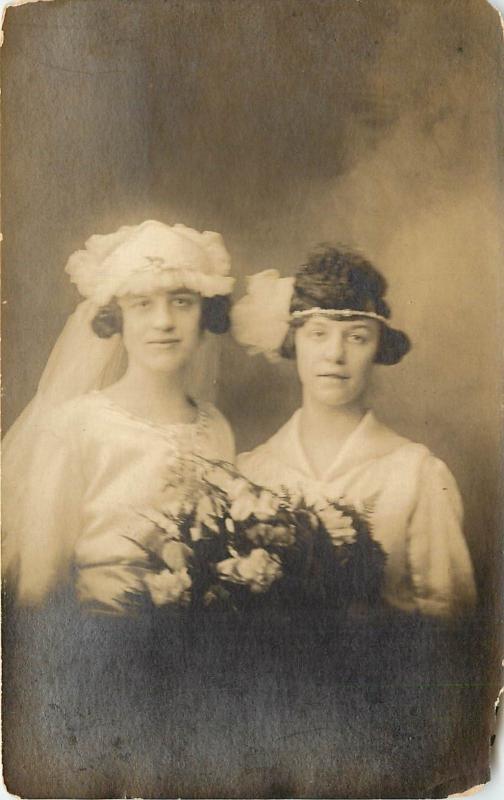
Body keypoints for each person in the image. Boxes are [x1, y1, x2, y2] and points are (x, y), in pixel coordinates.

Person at [230, 246, 479, 796]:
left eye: (356, 337)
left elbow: (448, 631)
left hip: (379, 740)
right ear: (293, 342)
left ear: (377, 350)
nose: (335, 355)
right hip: (265, 746)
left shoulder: (416, 474)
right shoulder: (250, 474)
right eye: (318, 333)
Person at [1, 220, 237, 796]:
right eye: (142, 303)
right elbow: (40, 588)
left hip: (204, 679)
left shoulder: (216, 428)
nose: (163, 321)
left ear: (203, 312)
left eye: (182, 302)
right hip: (100, 673)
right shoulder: (77, 426)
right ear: (116, 317)